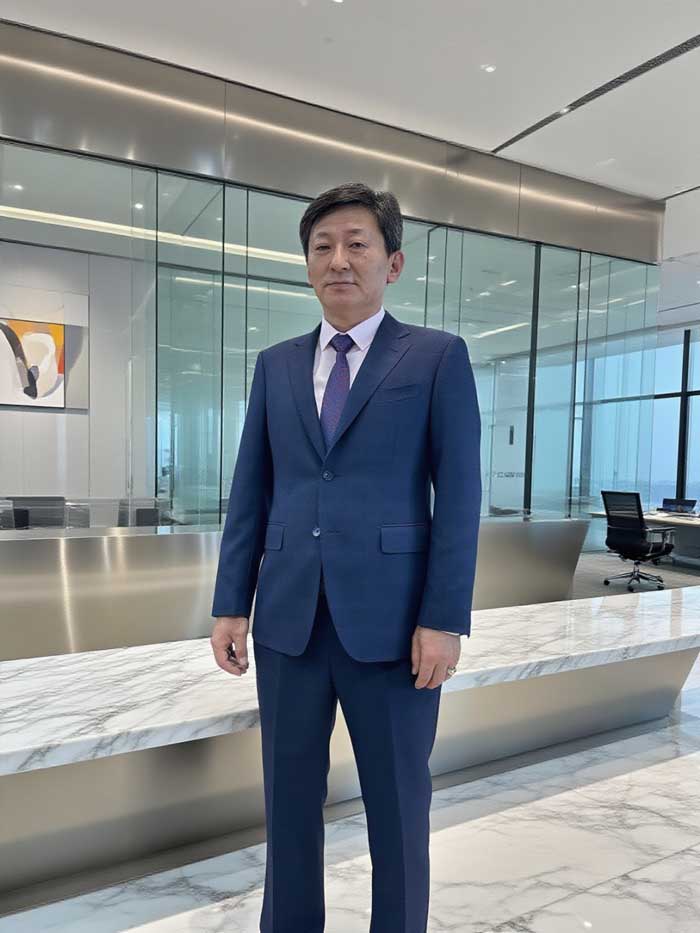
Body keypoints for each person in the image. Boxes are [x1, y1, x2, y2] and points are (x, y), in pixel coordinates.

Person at [210, 182, 481, 933]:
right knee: (288, 804)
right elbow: (251, 490)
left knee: (398, 805)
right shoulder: (276, 366)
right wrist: (231, 603)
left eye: (356, 244)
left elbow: (460, 497)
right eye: (322, 246)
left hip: (395, 630)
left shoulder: (436, 357)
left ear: (392, 262)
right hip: (288, 623)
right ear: (306, 265)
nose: (338, 260)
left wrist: (444, 618)